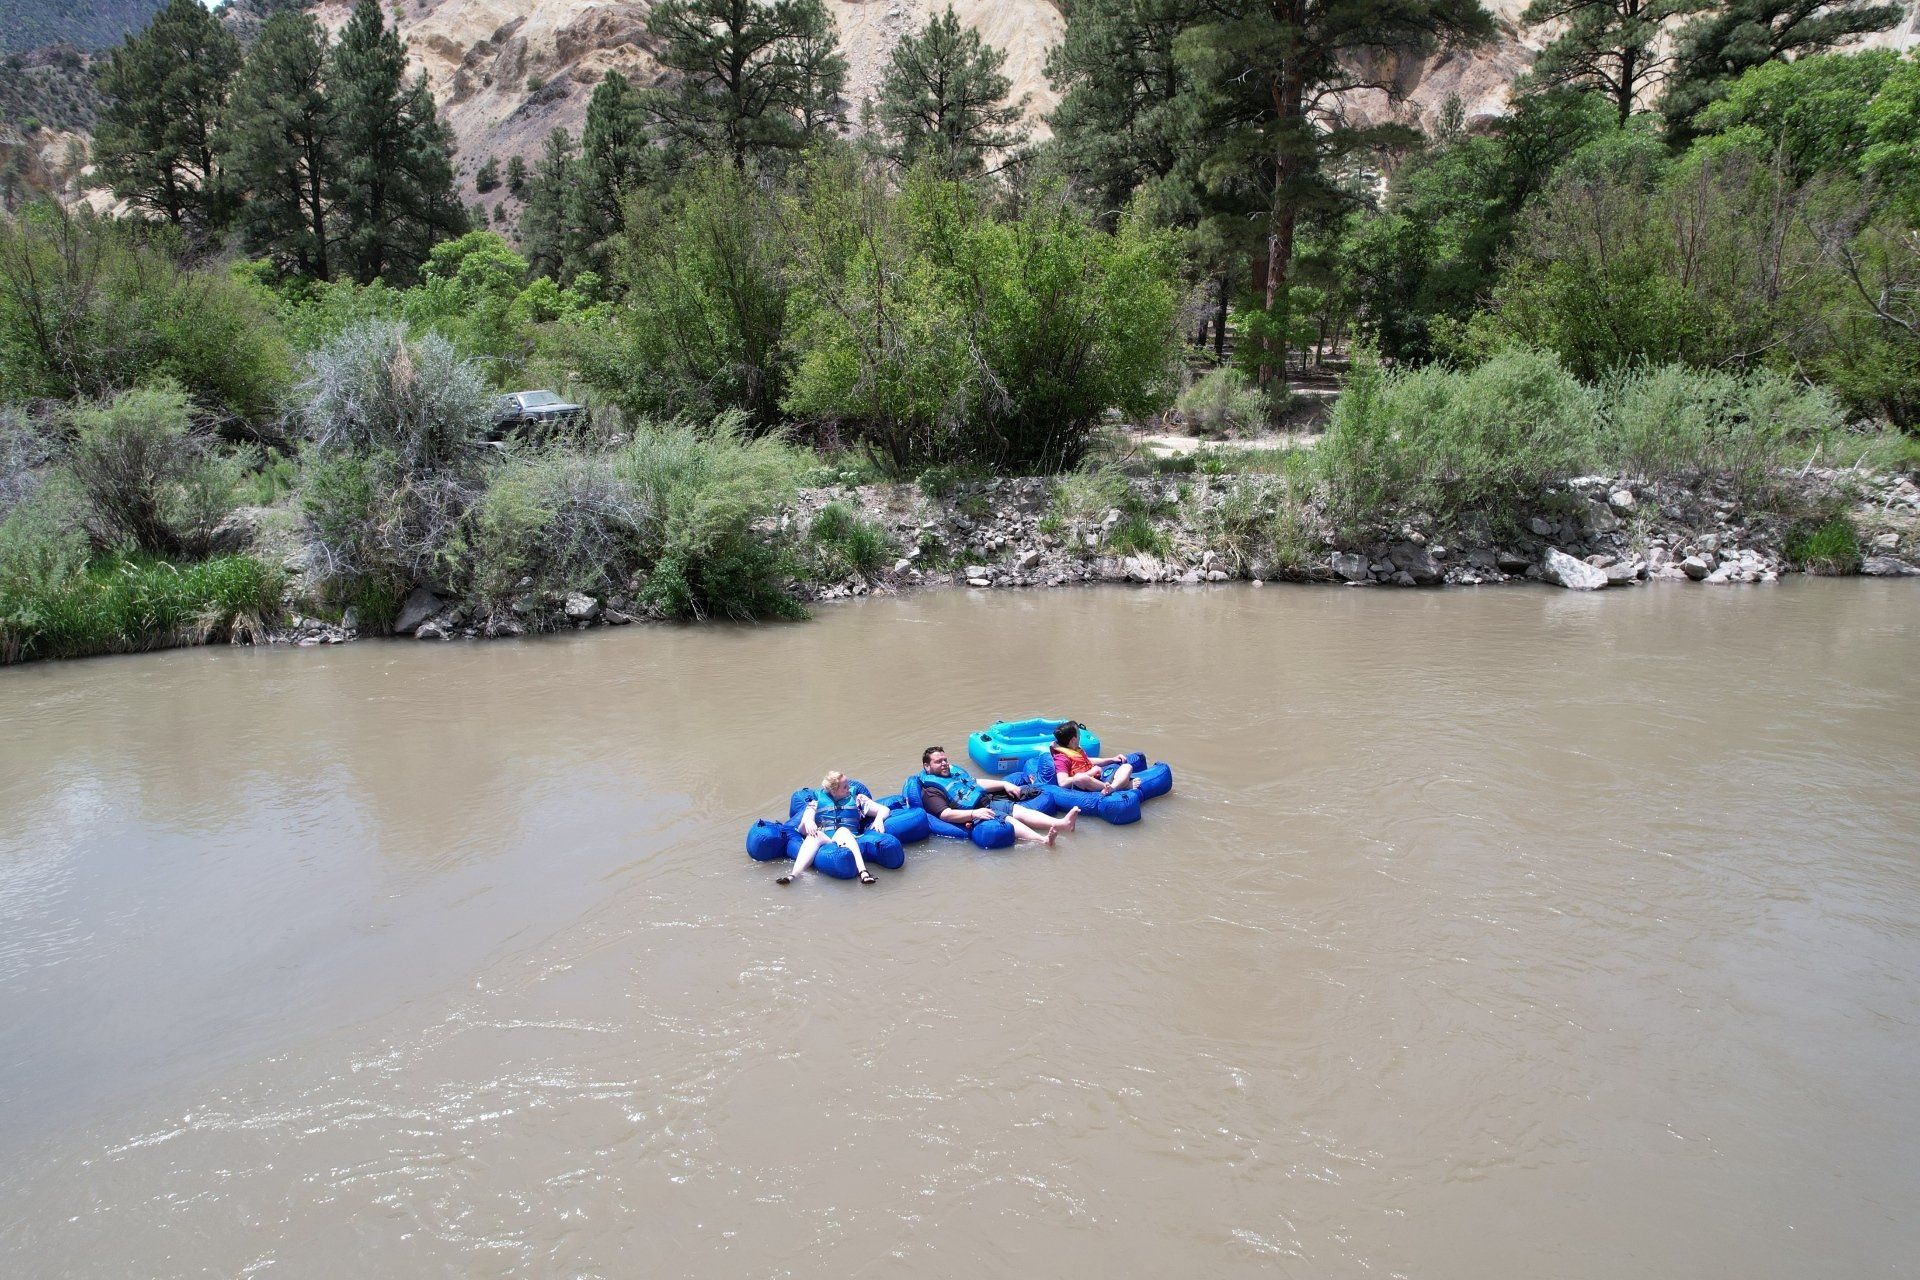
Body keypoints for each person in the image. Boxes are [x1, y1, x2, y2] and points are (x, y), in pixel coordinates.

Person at [914, 746, 1077, 846]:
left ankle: (1061, 823)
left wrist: (1004, 784)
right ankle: (1043, 840)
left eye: (945, 760)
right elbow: (945, 814)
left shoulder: (953, 774)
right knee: (1008, 819)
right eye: (938, 762)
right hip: (972, 813)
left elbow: (976, 783)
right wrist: (974, 813)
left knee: (1018, 809)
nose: (944, 763)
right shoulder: (931, 791)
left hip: (985, 801)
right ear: (927, 766)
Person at [780, 771, 888, 885]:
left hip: (847, 837)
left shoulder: (857, 799)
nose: (849, 788)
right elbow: (803, 826)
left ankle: (863, 872)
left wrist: (879, 819)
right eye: (845, 787)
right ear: (834, 791)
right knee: (813, 836)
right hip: (826, 838)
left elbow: (884, 809)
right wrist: (808, 822)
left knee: (843, 831)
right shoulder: (816, 803)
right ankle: (792, 876)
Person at [1050, 721, 1138, 794]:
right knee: (1079, 778)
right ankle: (1122, 786)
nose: (1080, 735)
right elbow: (1063, 783)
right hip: (1086, 784)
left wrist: (1112, 759)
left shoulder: (1076, 749)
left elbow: (1088, 761)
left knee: (1127, 767)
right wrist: (1091, 772)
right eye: (1079, 733)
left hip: (1099, 779)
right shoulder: (1061, 759)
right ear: (1073, 740)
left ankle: (1113, 788)